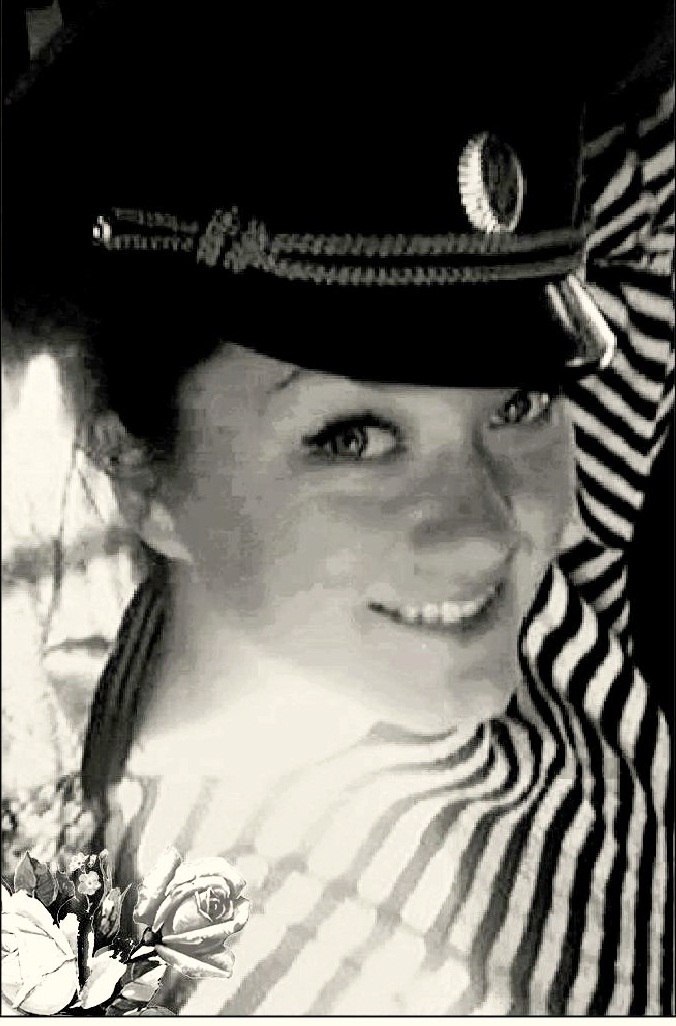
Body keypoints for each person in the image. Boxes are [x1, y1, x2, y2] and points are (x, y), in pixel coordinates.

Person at [2, 3, 673, 1015]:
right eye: (353, 436)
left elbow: (651, 199)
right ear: (138, 472)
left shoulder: (499, 620)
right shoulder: (273, 968)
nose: (490, 530)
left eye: (519, 403)